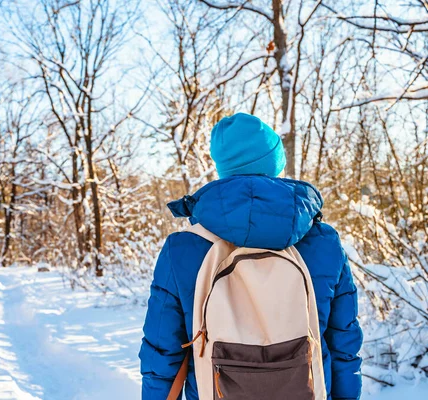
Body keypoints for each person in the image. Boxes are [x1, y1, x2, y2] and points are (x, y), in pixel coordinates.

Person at [139, 113, 363, 399]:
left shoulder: (182, 249)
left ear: (223, 169)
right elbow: (344, 345)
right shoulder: (323, 243)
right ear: (276, 164)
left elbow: (161, 355)